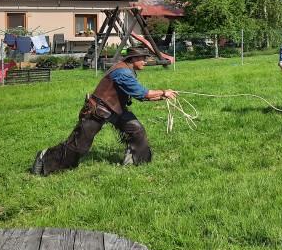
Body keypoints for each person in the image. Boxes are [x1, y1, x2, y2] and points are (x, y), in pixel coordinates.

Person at [31, 47, 177, 175]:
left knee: (136, 130)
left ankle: (135, 162)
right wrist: (164, 92)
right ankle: (44, 158)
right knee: (79, 146)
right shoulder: (123, 73)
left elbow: (141, 96)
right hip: (97, 112)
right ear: (133, 59)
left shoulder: (126, 69)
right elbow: (143, 93)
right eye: (143, 58)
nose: (145, 61)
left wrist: (162, 97)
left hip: (115, 110)